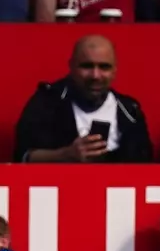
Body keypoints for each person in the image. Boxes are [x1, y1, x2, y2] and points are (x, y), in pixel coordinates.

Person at [15, 35, 152, 164]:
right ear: (71, 67)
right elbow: (23, 157)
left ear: (114, 71)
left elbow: (146, 165)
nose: (95, 75)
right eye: (87, 66)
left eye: (104, 67)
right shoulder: (47, 101)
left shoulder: (129, 111)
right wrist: (66, 155)